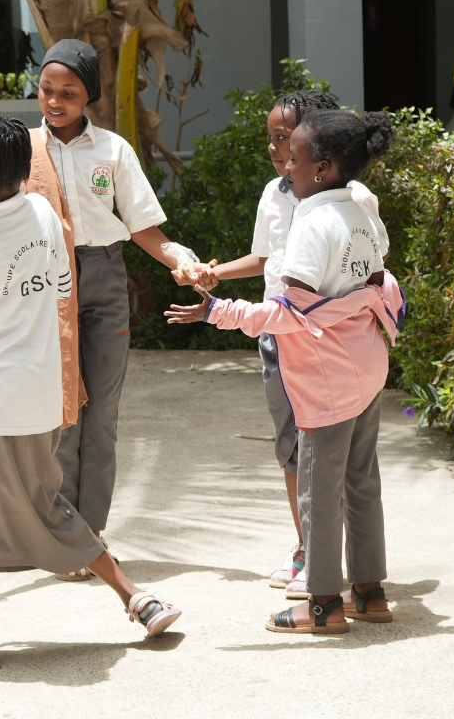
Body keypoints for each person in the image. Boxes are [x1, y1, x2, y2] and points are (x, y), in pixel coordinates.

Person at [0, 114, 181, 671]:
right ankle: (137, 597)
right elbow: (61, 285)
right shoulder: (43, 214)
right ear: (23, 169)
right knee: (50, 505)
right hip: (40, 399)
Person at [167, 108, 403, 635]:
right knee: (362, 481)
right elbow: (373, 275)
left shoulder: (311, 224)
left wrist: (215, 312)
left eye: (293, 159)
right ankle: (370, 593)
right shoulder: (360, 211)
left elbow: (287, 314)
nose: (284, 167)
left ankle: (322, 606)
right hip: (368, 366)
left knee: (319, 488)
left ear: (321, 169)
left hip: (326, 378)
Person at [25, 39, 209, 580]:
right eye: (46, 90)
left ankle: (89, 534)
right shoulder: (22, 149)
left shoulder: (113, 151)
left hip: (104, 279)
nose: (54, 102)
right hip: (42, 283)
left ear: (90, 97)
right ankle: (60, 530)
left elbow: (144, 228)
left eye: (68, 93)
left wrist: (180, 259)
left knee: (101, 412)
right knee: (61, 413)